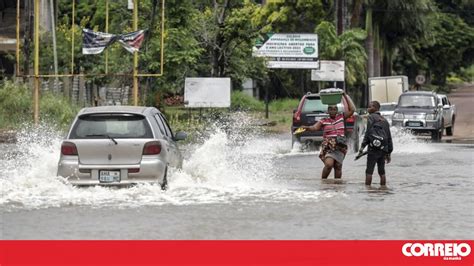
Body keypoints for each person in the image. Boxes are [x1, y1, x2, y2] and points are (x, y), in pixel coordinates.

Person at [301, 92, 356, 179]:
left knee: (338, 166)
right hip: (329, 146)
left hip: (340, 146)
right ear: (328, 111)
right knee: (329, 164)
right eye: (331, 109)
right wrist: (307, 128)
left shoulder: (341, 117)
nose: (333, 111)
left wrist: (345, 95)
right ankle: (323, 182)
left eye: (335, 109)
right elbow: (314, 128)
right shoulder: (324, 120)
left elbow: (352, 109)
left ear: (337, 110)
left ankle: (337, 187)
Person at [358, 101, 393, 186]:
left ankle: (368, 190)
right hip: (383, 149)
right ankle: (383, 189)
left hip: (373, 149)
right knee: (382, 172)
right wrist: (389, 153)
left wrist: (362, 148)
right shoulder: (385, 120)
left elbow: (368, 133)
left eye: (370, 107)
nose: (368, 108)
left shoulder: (370, 117)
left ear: (376, 108)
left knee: (369, 171)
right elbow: (389, 137)